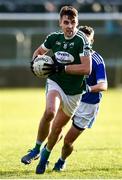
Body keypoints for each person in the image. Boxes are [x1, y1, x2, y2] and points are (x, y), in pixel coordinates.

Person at [21, 6, 92, 174]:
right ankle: (36, 149)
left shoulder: (82, 40)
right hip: (55, 82)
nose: (69, 26)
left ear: (77, 23)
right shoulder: (53, 38)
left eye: (73, 22)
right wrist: (34, 64)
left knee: (57, 130)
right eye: (66, 22)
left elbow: (86, 68)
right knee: (50, 112)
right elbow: (39, 52)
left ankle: (45, 155)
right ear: (60, 23)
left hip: (74, 92)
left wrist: (62, 68)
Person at [52, 25, 108, 171]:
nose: (84, 43)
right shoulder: (70, 55)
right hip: (70, 97)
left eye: (87, 41)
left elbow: (103, 85)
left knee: (68, 141)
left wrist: (87, 88)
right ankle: (45, 154)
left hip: (88, 104)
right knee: (55, 129)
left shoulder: (97, 60)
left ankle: (62, 160)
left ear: (92, 41)